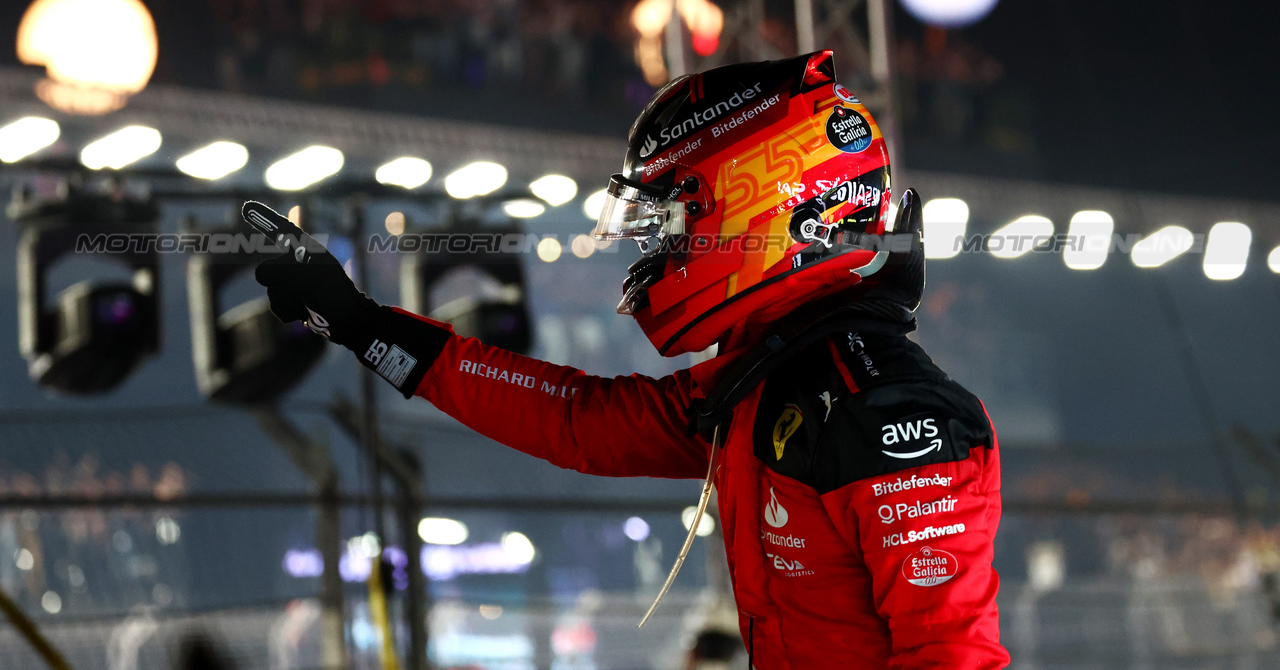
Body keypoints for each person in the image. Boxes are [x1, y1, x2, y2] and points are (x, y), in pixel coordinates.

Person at [253, 51, 1009, 668]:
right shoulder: (760, 387)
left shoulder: (893, 412)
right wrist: (360, 323)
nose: (658, 247)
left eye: (677, 217)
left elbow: (954, 656)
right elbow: (576, 420)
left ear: (763, 206)